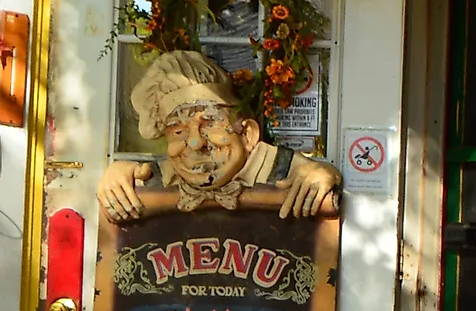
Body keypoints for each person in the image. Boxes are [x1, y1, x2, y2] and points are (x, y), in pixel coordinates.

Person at [97, 50, 339, 220]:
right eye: (178, 130)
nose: (195, 142)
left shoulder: (276, 165)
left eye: (210, 123)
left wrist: (323, 174)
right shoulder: (165, 175)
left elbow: (313, 174)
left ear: (247, 134)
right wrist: (117, 173)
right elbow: (139, 176)